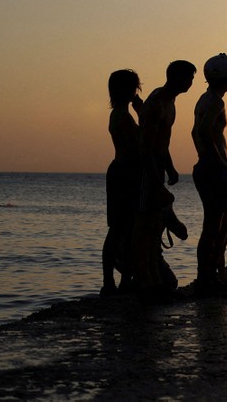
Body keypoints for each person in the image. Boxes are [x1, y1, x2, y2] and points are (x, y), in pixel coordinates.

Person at [133, 60, 196, 295]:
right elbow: (146, 146)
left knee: (154, 223)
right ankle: (146, 281)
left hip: (157, 166)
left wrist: (170, 168)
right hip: (145, 169)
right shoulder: (158, 102)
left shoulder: (171, 103)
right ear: (177, 78)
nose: (191, 82)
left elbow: (162, 141)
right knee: (144, 226)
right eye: (189, 77)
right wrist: (154, 182)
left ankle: (154, 276)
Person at [191, 53, 227, 295]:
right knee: (215, 226)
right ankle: (207, 279)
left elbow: (196, 133)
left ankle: (215, 276)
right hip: (214, 170)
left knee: (221, 225)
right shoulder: (215, 102)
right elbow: (203, 132)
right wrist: (220, 161)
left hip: (209, 168)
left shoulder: (204, 99)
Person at [101, 69, 143, 296]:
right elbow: (138, 146)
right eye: (133, 86)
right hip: (123, 174)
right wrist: (143, 114)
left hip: (126, 172)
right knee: (119, 228)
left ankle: (125, 279)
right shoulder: (120, 116)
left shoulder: (123, 115)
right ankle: (110, 282)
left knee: (127, 228)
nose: (135, 90)